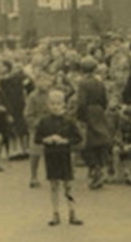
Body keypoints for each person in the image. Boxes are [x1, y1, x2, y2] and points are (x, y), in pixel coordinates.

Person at [33, 90, 84, 226]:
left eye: (58, 104)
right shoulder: (44, 122)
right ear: (48, 105)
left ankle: (72, 212)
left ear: (64, 105)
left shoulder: (69, 121)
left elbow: (78, 138)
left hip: (65, 155)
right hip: (51, 155)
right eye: (52, 104)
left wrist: (65, 141)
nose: (55, 106)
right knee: (54, 185)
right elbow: (37, 138)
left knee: (68, 185)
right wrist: (47, 139)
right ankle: (55, 213)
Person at [75, 57, 113, 190]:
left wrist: (80, 117)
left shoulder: (82, 83)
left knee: (87, 144)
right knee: (99, 143)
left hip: (89, 112)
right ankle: (98, 169)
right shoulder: (99, 82)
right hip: (99, 112)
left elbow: (81, 103)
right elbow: (104, 100)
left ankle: (95, 170)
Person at [23, 73, 52, 189]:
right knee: (35, 152)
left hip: (51, 126)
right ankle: (33, 176)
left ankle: (52, 176)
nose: (44, 83)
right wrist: (36, 123)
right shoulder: (32, 96)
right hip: (37, 128)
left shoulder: (51, 95)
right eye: (41, 81)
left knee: (51, 153)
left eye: (46, 81)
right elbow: (28, 114)